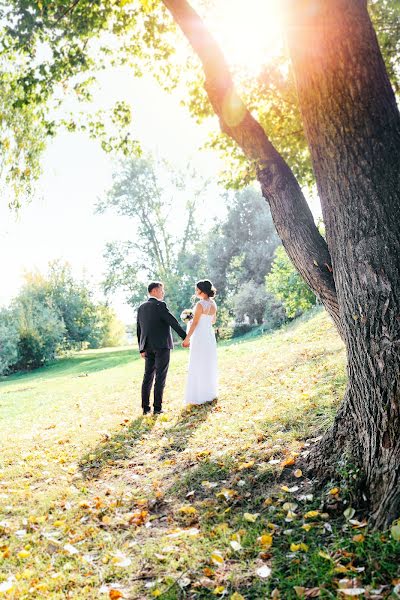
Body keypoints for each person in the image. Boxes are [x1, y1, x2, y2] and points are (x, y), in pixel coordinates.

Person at [137, 282, 187, 415]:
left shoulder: (141, 307)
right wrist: (186, 337)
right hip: (162, 346)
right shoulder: (160, 305)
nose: (163, 292)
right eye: (161, 290)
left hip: (147, 347)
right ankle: (157, 408)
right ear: (153, 291)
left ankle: (145, 408)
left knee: (147, 377)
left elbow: (139, 330)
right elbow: (173, 322)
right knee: (160, 377)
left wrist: (141, 348)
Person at [183, 279, 218, 405]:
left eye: (197, 289)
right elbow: (213, 321)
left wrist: (187, 338)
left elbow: (196, 323)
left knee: (197, 362)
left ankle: (198, 395)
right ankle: (209, 392)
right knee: (208, 362)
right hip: (208, 335)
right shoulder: (213, 304)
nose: (196, 292)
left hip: (199, 336)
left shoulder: (200, 305)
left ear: (202, 291)